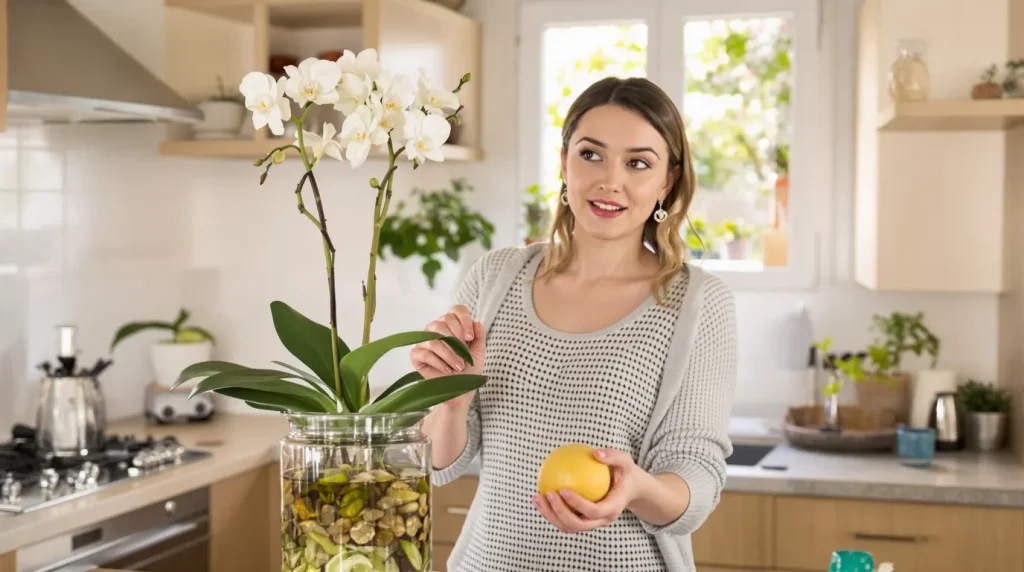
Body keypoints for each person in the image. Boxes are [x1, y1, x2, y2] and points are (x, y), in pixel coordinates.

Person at [412, 76, 738, 572]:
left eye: (638, 163)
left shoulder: (697, 303)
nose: (611, 180)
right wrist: (451, 404)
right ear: (564, 162)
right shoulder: (495, 277)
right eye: (591, 154)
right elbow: (442, 465)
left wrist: (634, 488)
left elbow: (697, 481)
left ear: (665, 183)